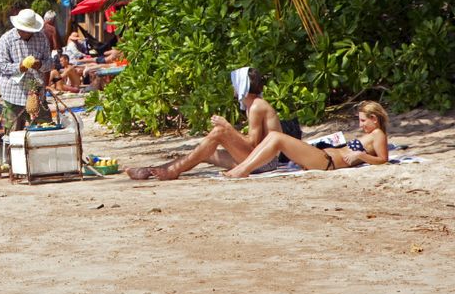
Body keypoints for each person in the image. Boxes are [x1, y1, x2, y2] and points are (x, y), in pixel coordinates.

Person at [128, 68, 292, 180]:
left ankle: (172, 171)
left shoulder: (257, 106)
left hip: (265, 163)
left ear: (242, 85)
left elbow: (253, 143)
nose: (233, 88)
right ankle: (153, 170)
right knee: (203, 153)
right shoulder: (252, 106)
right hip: (259, 159)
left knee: (219, 132)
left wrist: (227, 127)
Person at [225, 101, 390, 178]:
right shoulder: (371, 135)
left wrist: (360, 156)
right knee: (273, 137)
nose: (360, 125)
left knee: (276, 137)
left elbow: (383, 160)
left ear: (374, 118)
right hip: (323, 158)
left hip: (327, 162)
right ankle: (243, 168)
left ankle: (243, 170)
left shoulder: (378, 135)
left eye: (363, 121)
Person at [0, 8, 52, 133]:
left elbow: (50, 63)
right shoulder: (6, 40)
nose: (27, 33)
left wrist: (40, 65)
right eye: (25, 30)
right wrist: (18, 67)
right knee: (12, 133)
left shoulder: (42, 38)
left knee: (46, 128)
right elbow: (0, 66)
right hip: (13, 93)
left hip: (36, 93)